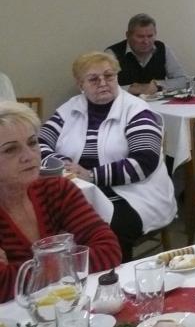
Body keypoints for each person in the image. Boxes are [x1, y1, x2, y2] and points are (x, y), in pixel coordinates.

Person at [38, 52, 176, 261]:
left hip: (134, 192)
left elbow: (144, 162)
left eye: (109, 76)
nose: (103, 83)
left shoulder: (137, 110)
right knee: (45, 219)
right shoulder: (69, 109)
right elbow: (38, 144)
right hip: (78, 188)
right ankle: (71, 272)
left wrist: (91, 175)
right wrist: (62, 164)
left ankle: (115, 275)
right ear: (80, 84)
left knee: (108, 228)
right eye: (94, 79)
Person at [0, 101, 122, 303]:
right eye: (10, 150)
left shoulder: (56, 190)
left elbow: (109, 251)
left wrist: (28, 271)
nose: (29, 156)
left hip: (69, 306)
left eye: (32, 143)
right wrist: (70, 258)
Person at [106, 13, 188, 95]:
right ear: (128, 35)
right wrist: (131, 89)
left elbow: (183, 80)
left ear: (155, 34)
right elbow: (104, 87)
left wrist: (158, 85)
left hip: (160, 102)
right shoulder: (112, 54)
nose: (146, 41)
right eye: (140, 36)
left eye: (150, 36)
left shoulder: (162, 49)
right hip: (125, 102)